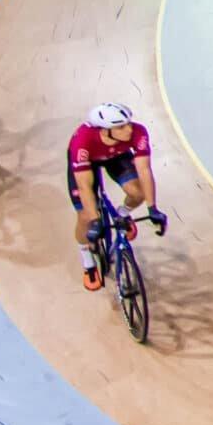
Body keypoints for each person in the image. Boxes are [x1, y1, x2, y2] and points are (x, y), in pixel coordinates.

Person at [68, 103, 166, 292]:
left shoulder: (138, 132)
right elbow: (84, 186)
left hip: (117, 155)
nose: (129, 129)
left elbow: (144, 171)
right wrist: (95, 221)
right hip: (88, 160)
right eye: (121, 126)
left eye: (128, 123)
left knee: (137, 193)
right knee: (85, 216)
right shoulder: (82, 141)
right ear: (105, 130)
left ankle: (122, 214)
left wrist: (152, 208)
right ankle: (88, 261)